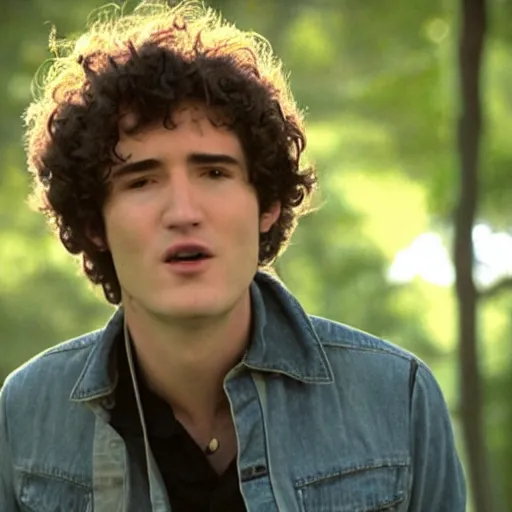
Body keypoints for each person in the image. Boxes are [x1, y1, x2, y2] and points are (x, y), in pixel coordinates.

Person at [0, 1, 466, 510]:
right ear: (95, 224)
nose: (183, 212)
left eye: (215, 173)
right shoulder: (26, 415)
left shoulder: (396, 399)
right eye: (142, 181)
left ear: (266, 205)